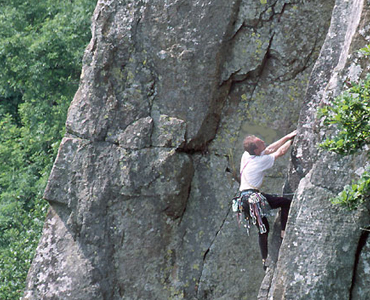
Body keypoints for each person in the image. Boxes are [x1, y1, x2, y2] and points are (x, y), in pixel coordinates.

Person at [239, 130, 297, 270]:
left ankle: (265, 260)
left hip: (245, 198)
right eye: (261, 143)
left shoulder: (247, 155)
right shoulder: (259, 161)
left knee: (263, 229)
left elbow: (270, 148)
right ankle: (283, 231)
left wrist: (288, 135)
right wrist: (293, 140)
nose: (264, 143)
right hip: (253, 198)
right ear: (256, 150)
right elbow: (279, 152)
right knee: (285, 203)